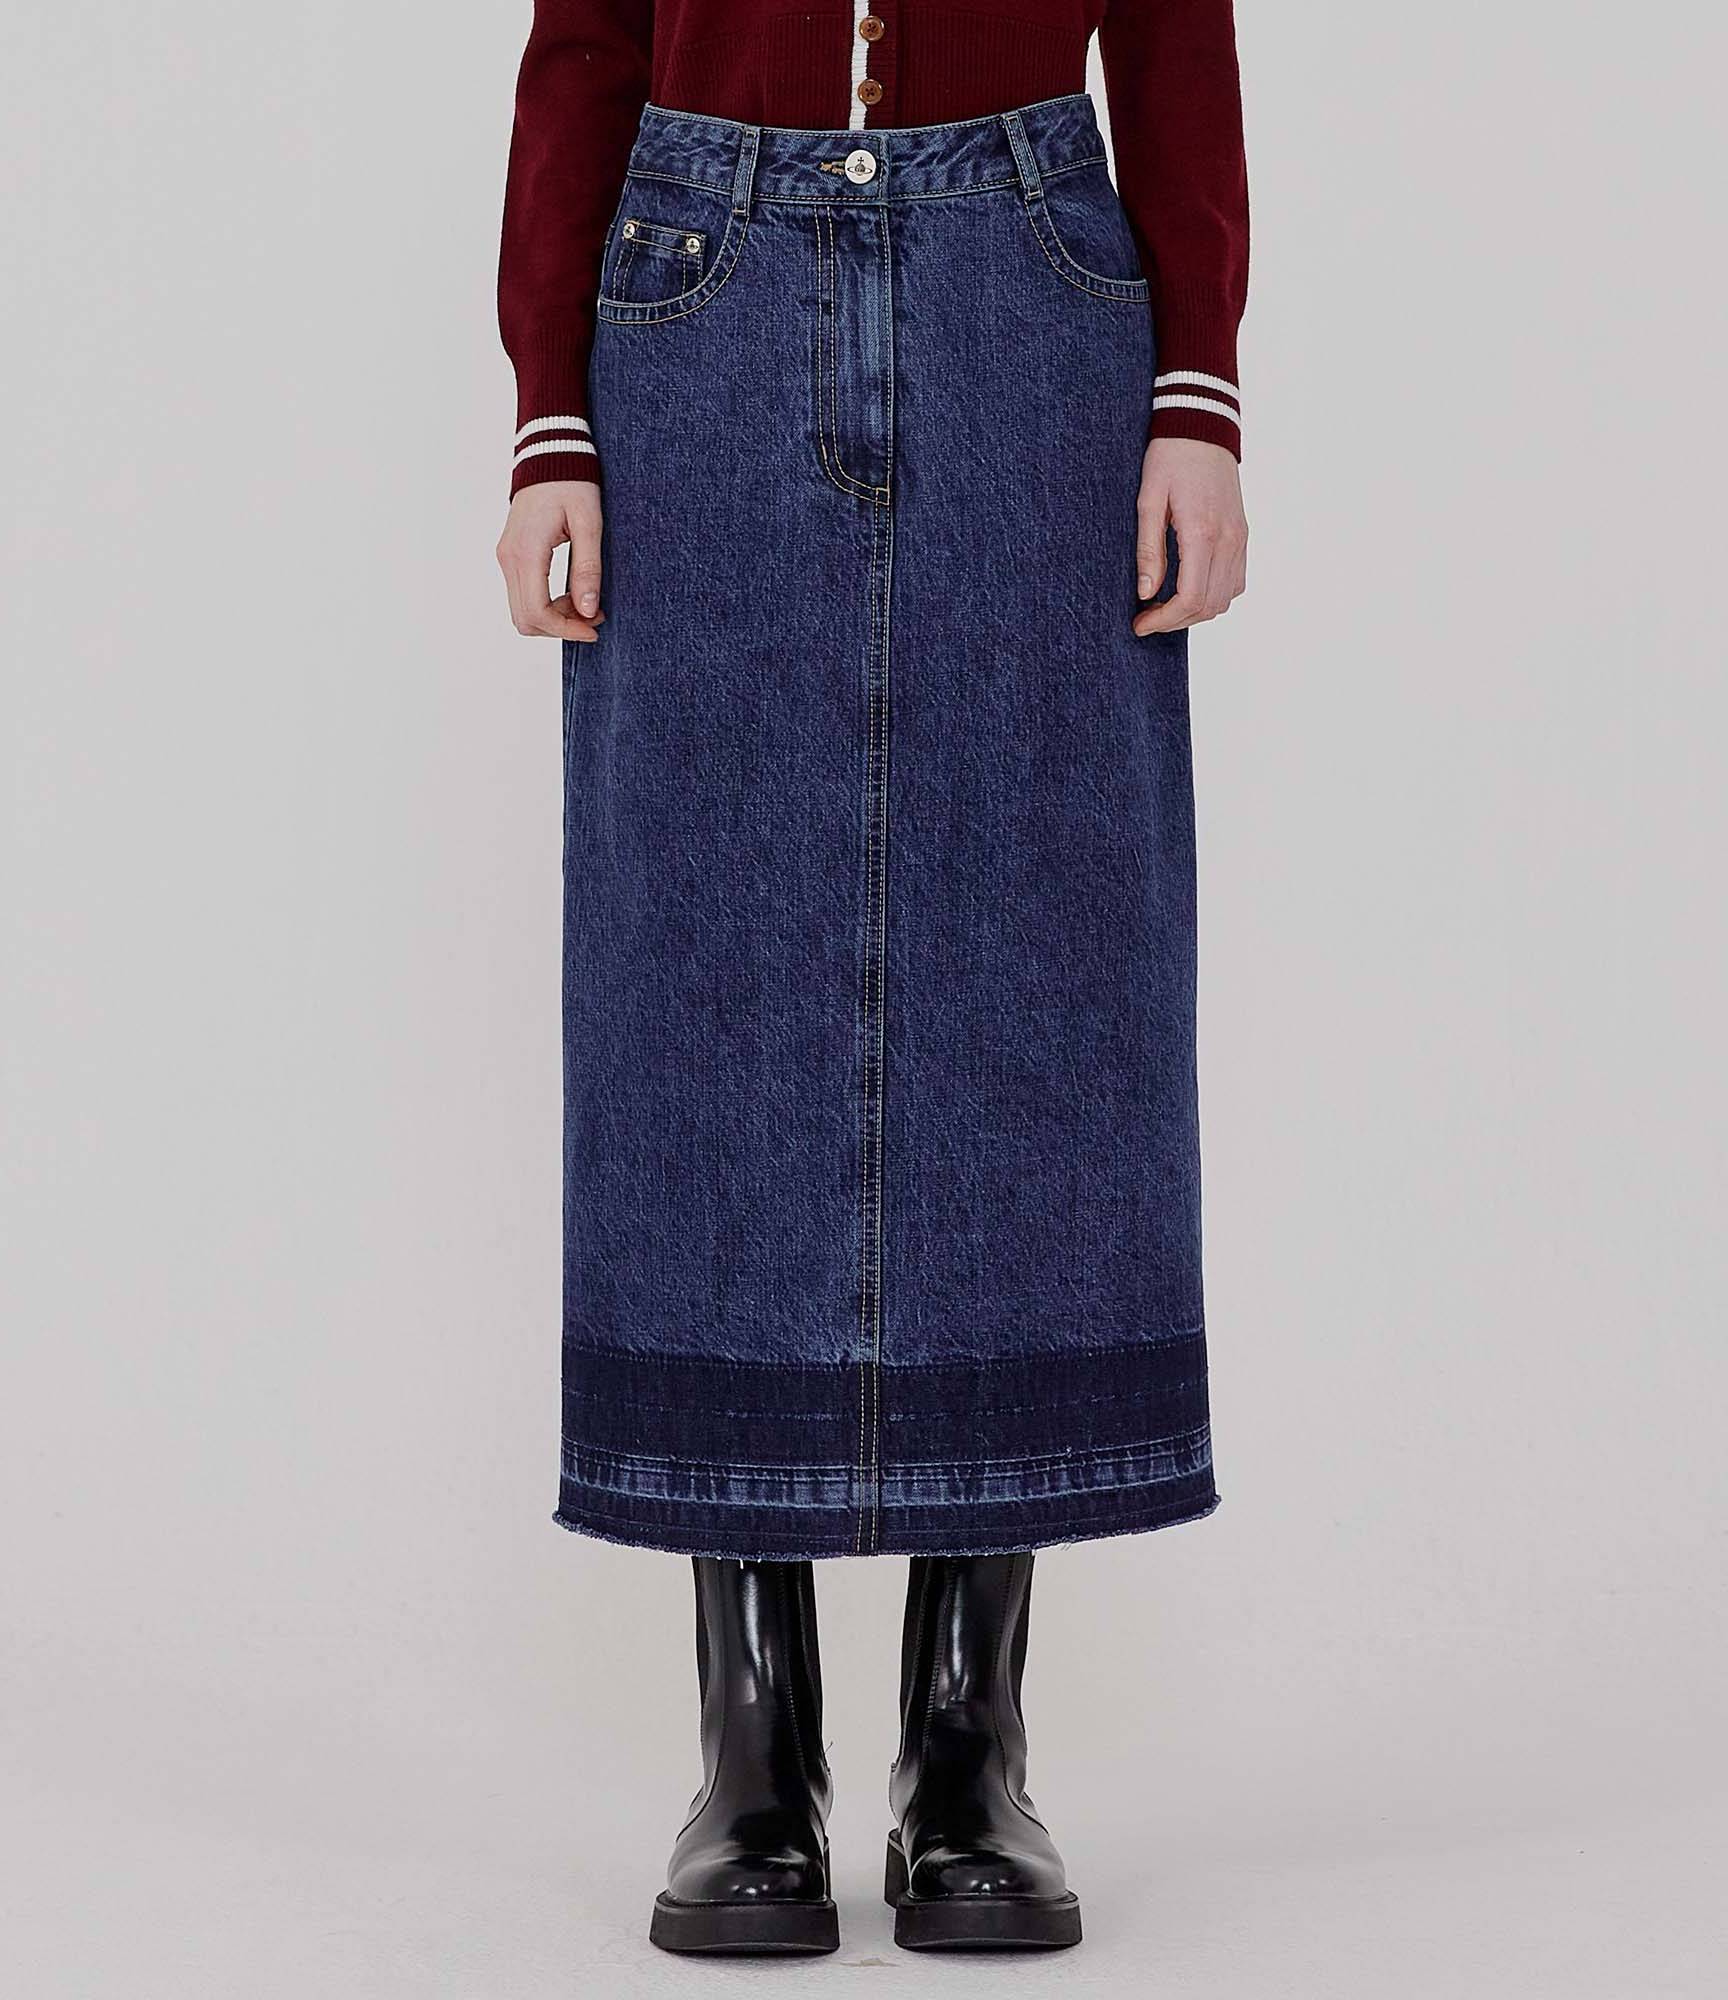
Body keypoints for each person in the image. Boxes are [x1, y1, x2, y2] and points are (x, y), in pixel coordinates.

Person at [494, 0, 1249, 1957]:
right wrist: (548, 410)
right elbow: (583, 37)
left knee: (1034, 972)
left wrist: (1199, 389)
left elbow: (1175, 29)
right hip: (697, 283)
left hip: (1036, 286)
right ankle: (754, 1751)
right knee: (701, 975)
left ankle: (968, 1746)